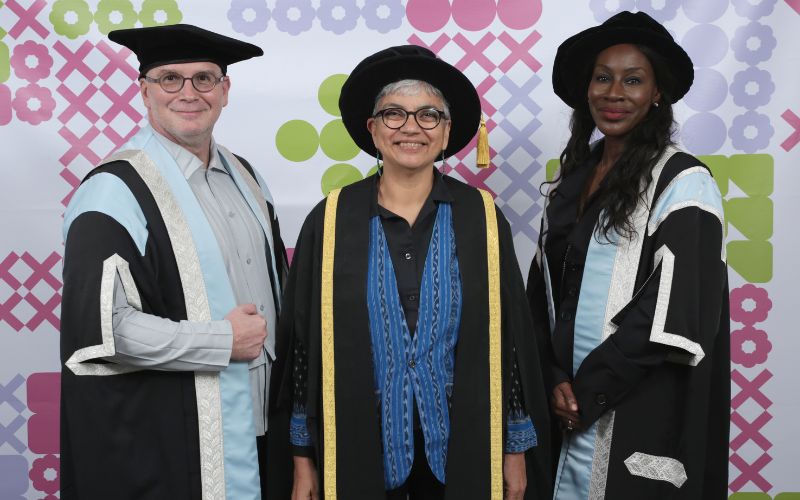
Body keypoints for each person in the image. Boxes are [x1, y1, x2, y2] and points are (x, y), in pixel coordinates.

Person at [266, 45, 551, 499]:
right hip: (360, 441)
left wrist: (514, 448)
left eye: (429, 116)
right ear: (373, 130)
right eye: (394, 114)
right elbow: (305, 347)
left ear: (447, 131)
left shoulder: (480, 217)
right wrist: (303, 459)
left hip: (464, 441)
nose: (411, 128)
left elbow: (508, 342)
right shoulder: (332, 219)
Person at [60, 24, 288, 499]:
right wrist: (222, 340)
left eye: (204, 78)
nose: (188, 92)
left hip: (265, 434)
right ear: (144, 91)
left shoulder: (248, 179)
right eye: (170, 78)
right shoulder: (114, 190)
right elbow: (102, 330)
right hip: (173, 442)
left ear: (225, 91)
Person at [526, 11, 730, 499]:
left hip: (640, 407)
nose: (614, 93)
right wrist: (553, 378)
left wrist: (587, 389)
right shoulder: (573, 181)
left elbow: (676, 311)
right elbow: (543, 297)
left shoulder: (683, 183)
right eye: (603, 77)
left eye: (633, 80)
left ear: (657, 93)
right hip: (564, 406)